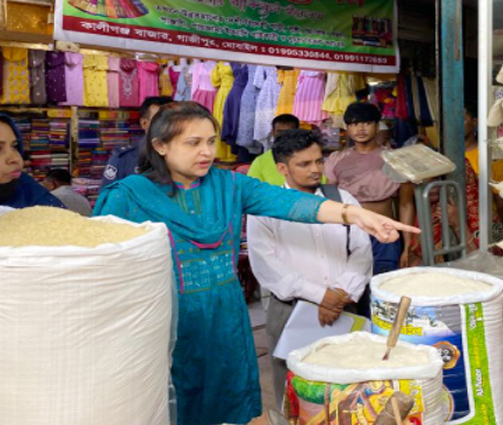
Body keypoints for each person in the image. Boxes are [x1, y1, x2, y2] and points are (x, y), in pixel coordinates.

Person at [93, 101, 416, 425]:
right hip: (165, 319)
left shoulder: (229, 185)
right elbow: (102, 267)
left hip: (225, 316)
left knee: (226, 398)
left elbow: (290, 203)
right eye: (193, 143)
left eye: (210, 141)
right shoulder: (129, 195)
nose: (206, 151)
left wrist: (355, 215)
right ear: (160, 145)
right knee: (167, 401)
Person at [248, 129, 372, 408]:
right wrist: (320, 295)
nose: (315, 169)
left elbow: (361, 250)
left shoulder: (343, 200)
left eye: (318, 161)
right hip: (291, 308)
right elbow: (266, 264)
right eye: (304, 164)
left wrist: (341, 293)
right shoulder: (264, 208)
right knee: (294, 386)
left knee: (345, 384)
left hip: (344, 304)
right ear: (282, 168)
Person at [323, 102, 415, 315]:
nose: (360, 129)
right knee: (350, 290)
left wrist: (407, 245)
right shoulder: (337, 160)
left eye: (366, 123)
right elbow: (330, 202)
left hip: (384, 234)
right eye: (354, 124)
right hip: (348, 234)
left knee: (384, 290)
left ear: (377, 125)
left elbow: (406, 203)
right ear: (347, 128)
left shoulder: (395, 159)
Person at [407, 102, 503, 265]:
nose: (453, 125)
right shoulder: (438, 159)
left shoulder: (491, 156)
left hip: (479, 225)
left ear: (475, 121)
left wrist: (467, 219)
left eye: (460, 119)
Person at [100, 96, 173, 190]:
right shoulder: (124, 158)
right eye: (159, 121)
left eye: (171, 121)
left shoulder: (183, 155)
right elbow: (108, 197)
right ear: (144, 124)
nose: (166, 126)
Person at [247, 114, 329, 187]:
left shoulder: (313, 157)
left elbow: (323, 184)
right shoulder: (260, 161)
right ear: (273, 133)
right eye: (280, 132)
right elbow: (252, 189)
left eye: (289, 132)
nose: (284, 136)